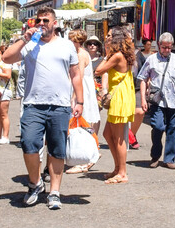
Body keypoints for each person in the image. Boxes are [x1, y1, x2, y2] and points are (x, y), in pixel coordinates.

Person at [1, 8, 84, 211]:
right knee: (28, 143)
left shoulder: (66, 46)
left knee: (57, 150)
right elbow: (6, 58)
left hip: (60, 105)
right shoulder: (29, 44)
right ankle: (35, 183)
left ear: (54, 23)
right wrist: (24, 38)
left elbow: (75, 74)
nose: (41, 23)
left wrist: (79, 101)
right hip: (33, 105)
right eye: (38, 20)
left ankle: (54, 192)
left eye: (46, 20)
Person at [138, 32, 175, 169]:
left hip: (174, 100)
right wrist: (143, 99)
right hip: (157, 101)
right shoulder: (151, 59)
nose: (167, 50)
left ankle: (169, 159)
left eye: (169, 47)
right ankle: (155, 155)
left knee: (173, 129)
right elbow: (143, 79)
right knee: (158, 126)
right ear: (159, 45)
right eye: (164, 47)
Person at [96, 28, 136, 184]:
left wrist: (106, 54)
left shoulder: (117, 56)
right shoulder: (120, 55)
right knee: (107, 134)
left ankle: (123, 172)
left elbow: (98, 70)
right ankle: (117, 168)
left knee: (118, 138)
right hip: (120, 96)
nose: (106, 37)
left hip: (120, 97)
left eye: (110, 36)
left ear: (116, 40)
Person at [66, 30, 101, 174]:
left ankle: (86, 157)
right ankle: (89, 153)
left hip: (82, 92)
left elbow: (78, 77)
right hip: (85, 90)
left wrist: (74, 98)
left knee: (82, 124)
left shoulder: (80, 54)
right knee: (84, 124)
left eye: (71, 40)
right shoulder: (83, 53)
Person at [129, 39, 154, 149]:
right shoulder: (117, 54)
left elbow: (145, 70)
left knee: (139, 112)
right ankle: (127, 136)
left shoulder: (138, 54)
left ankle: (131, 134)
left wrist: (148, 83)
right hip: (123, 87)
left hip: (137, 86)